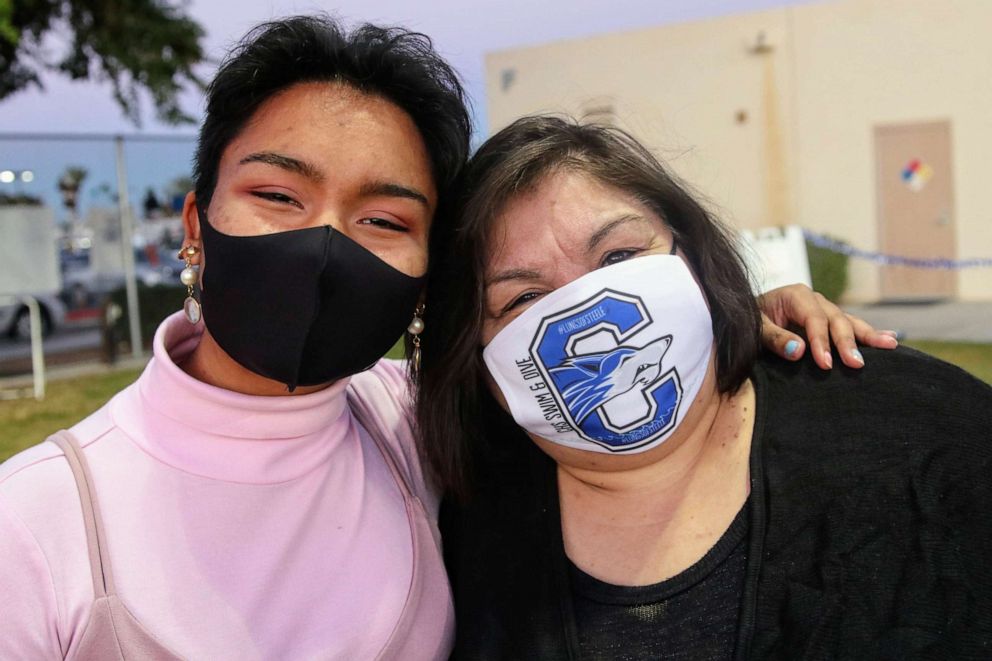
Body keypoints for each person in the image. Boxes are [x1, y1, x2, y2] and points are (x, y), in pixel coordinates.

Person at [0, 15, 891, 660]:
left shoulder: (415, 419)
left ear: (430, 268)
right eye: (278, 196)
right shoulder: (33, 520)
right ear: (197, 223)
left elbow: (619, 390)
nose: (325, 245)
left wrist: (741, 307)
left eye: (384, 217)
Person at [421, 116, 992, 660]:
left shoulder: (919, 428)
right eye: (522, 298)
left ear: (690, 252)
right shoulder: (459, 527)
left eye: (619, 256)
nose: (588, 309)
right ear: (474, 355)